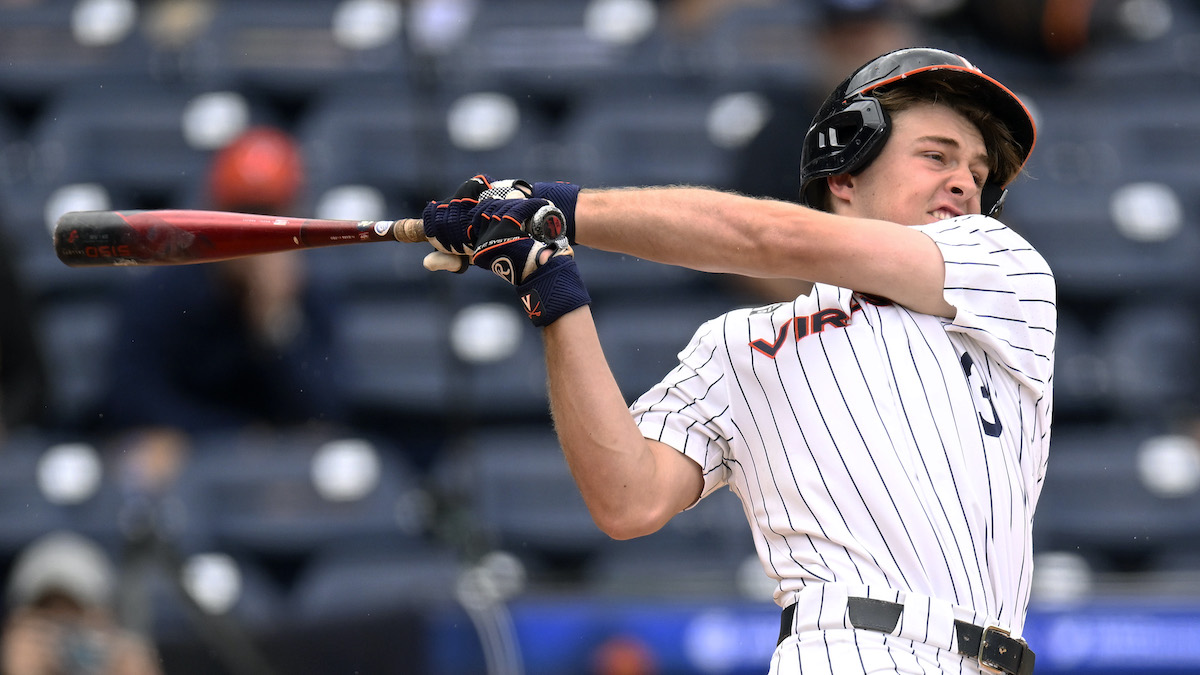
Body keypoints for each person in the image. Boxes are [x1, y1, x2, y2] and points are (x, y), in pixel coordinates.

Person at [420, 47, 1051, 675]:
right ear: (845, 174)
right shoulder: (742, 342)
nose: (965, 181)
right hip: (848, 652)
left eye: (976, 168)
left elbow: (766, 238)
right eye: (936, 155)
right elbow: (627, 499)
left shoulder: (1002, 269)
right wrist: (552, 285)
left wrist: (561, 208)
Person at [100, 126, 347, 493]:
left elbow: (327, 410)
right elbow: (130, 396)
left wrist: (275, 322)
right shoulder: (167, 285)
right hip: (188, 455)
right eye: (244, 215)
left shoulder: (312, 293)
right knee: (139, 462)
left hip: (281, 471)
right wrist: (234, 437)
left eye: (271, 216)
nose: (257, 232)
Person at [2, 531, 162, 675]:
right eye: (48, 623)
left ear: (109, 622)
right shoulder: (15, 662)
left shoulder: (121, 661)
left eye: (75, 621)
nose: (62, 644)